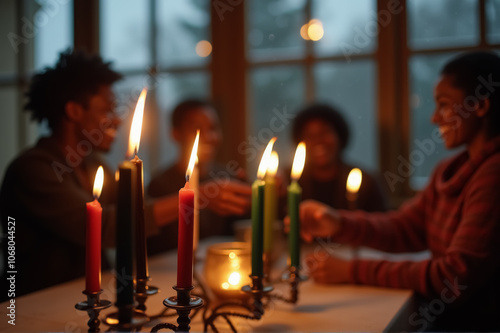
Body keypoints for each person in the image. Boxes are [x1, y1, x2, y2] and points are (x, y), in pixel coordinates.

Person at [294, 52, 500, 331]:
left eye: (444, 105)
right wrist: (337, 222)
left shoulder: (492, 175)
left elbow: (454, 277)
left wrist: (351, 270)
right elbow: (406, 227)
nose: (434, 118)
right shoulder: (451, 169)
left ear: (480, 105)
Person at [0, 50, 170, 298]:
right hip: (30, 307)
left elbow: (131, 219)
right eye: (108, 110)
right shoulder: (32, 170)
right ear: (74, 111)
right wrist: (189, 200)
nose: (117, 120)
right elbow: (107, 227)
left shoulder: (95, 166)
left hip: (88, 301)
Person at [146, 99, 252, 255]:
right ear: (176, 134)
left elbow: (241, 232)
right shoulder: (160, 185)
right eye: (196, 129)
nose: (208, 137)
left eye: (213, 128)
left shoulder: (228, 178)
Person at [290, 103, 388, 211]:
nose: (318, 140)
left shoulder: (366, 183)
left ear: (339, 136)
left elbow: (380, 223)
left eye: (324, 132)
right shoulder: (289, 181)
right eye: (309, 135)